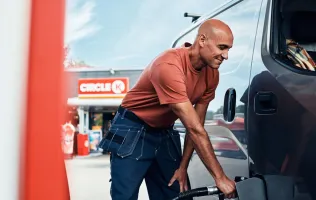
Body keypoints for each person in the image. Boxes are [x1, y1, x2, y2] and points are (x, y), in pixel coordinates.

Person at [99, 19, 236, 200]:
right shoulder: (168, 65)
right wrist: (220, 178)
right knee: (124, 196)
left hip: (164, 132)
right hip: (132, 126)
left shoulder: (212, 74)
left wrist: (183, 167)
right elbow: (195, 129)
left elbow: (196, 126)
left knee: (174, 191)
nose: (225, 55)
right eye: (222, 47)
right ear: (202, 40)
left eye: (228, 49)